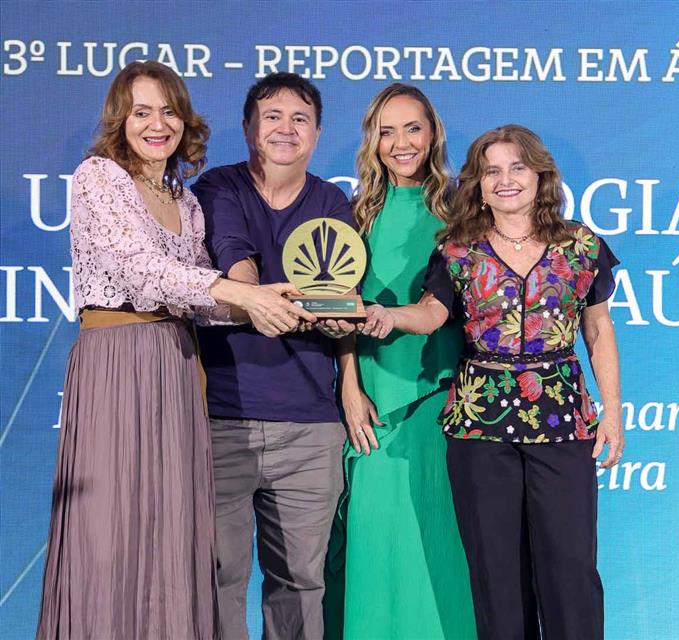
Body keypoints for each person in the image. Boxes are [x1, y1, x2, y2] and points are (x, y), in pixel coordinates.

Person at [36, 61, 315, 640]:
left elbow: (197, 300)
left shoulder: (184, 200)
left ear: (185, 120)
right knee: (111, 530)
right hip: (118, 363)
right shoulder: (99, 177)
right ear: (121, 119)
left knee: (170, 530)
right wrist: (241, 292)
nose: (157, 124)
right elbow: (139, 271)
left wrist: (269, 302)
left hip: (177, 364)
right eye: (141, 112)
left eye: (168, 111)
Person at [360, 124, 622, 640]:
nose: (506, 180)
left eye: (517, 167)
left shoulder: (581, 246)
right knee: (497, 578)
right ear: (477, 184)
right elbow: (432, 314)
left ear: (540, 175)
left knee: (571, 572)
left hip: (562, 423)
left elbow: (598, 329)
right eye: (491, 171)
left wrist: (611, 412)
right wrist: (388, 316)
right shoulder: (457, 250)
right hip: (480, 429)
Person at [191, 72, 354, 640]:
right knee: (217, 577)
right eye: (272, 117)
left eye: (300, 118)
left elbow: (342, 293)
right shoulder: (218, 187)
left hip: (309, 425)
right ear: (247, 129)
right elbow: (233, 254)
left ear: (317, 133)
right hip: (221, 420)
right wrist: (254, 298)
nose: (286, 129)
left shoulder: (331, 201)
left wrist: (341, 321)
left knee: (302, 582)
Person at [327, 84, 476, 639]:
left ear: (432, 133)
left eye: (412, 128)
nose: (401, 143)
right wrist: (349, 385)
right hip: (371, 401)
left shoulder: (464, 212)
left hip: (444, 399)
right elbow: (340, 308)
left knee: (440, 543)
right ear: (373, 141)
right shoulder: (354, 214)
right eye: (386, 132)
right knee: (377, 544)